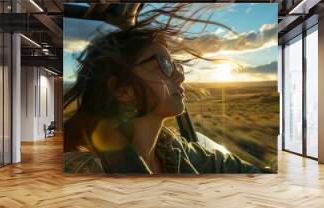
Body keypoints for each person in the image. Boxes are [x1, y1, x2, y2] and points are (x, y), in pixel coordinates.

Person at [63, 4, 260, 174]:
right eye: (164, 64)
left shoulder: (172, 147)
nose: (180, 76)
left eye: (176, 67)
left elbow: (242, 170)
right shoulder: (84, 168)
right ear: (123, 91)